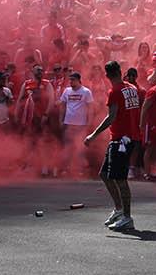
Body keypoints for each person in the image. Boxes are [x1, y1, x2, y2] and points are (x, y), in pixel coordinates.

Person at [86, 61, 141, 230]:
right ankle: (119, 210)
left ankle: (127, 217)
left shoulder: (115, 92)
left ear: (107, 75)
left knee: (120, 179)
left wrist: (93, 135)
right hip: (128, 137)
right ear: (120, 71)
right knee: (105, 174)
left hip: (121, 140)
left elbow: (111, 117)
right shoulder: (132, 88)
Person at [55, 70, 94, 176]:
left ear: (78, 80)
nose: (71, 82)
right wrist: (60, 120)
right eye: (70, 80)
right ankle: (66, 168)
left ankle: (79, 169)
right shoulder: (67, 91)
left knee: (80, 147)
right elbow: (62, 105)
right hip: (68, 123)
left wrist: (89, 122)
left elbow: (90, 108)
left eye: (73, 80)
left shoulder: (86, 92)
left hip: (81, 124)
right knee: (68, 146)